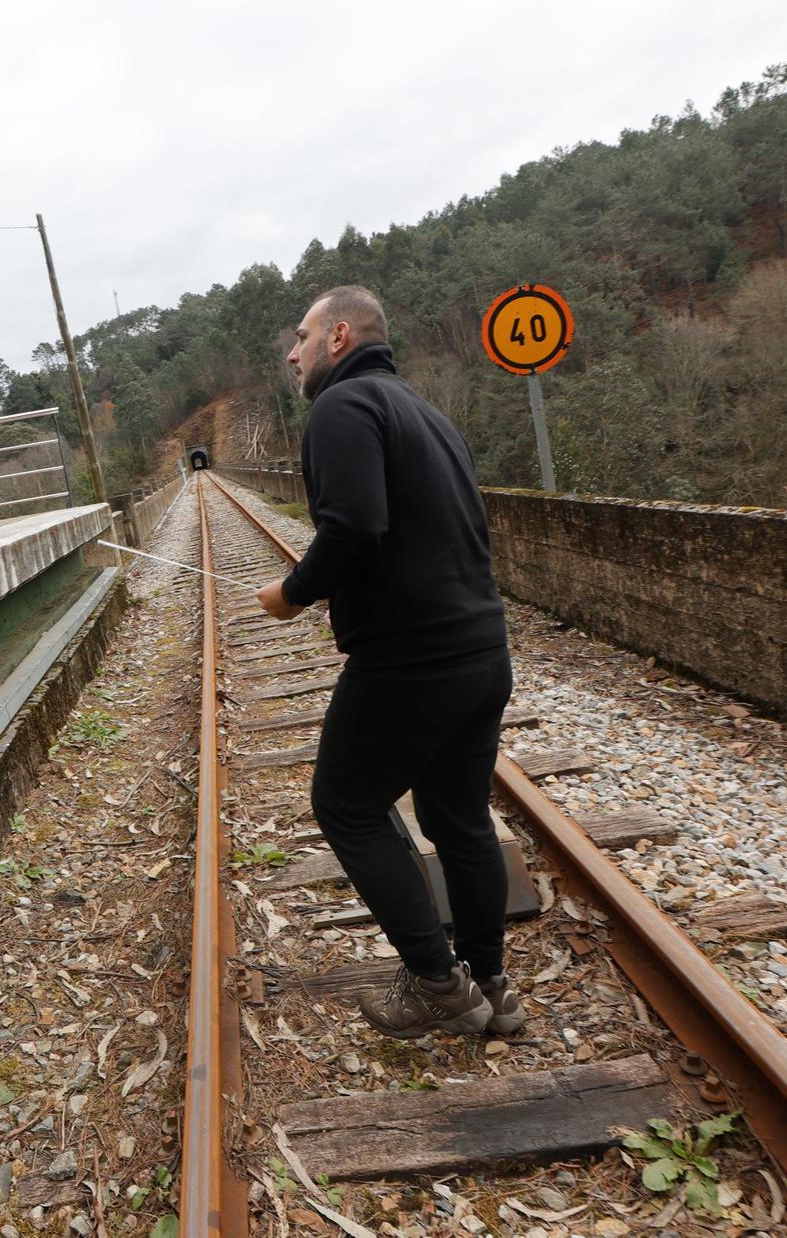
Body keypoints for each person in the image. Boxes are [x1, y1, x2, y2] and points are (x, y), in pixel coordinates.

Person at [253, 286, 522, 1040]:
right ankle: (489, 985)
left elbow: (355, 524)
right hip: (480, 647)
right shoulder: (423, 410)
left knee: (347, 804)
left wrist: (293, 593)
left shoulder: (341, 408)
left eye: (301, 335)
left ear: (340, 335)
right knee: (457, 814)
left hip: (411, 659)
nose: (291, 351)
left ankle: (435, 980)